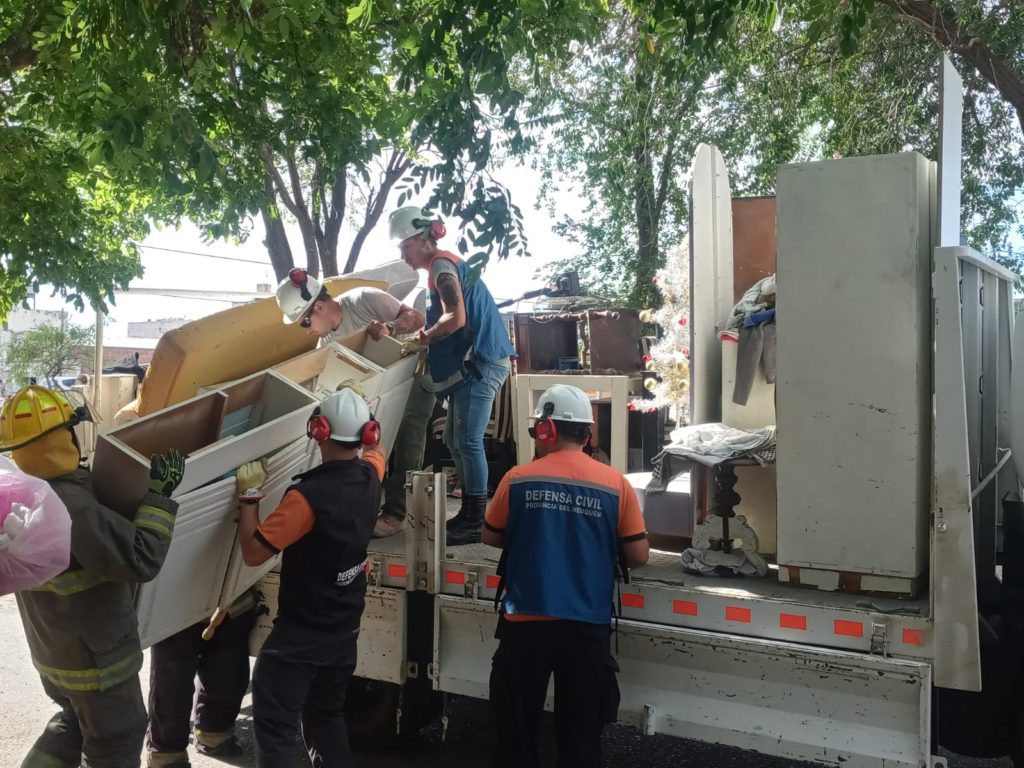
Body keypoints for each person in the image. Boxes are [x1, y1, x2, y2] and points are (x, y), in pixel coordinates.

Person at [0, 385, 184, 768]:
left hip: (56, 656)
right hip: (98, 664)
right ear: (63, 437)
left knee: (73, 723)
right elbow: (139, 560)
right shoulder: (72, 507)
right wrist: (160, 497)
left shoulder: (22, 496)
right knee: (117, 738)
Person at [481, 384, 650, 768]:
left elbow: (490, 536)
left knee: (516, 738)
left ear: (545, 431)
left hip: (524, 624)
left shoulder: (517, 479)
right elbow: (637, 555)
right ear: (587, 435)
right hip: (586, 628)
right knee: (581, 741)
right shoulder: (615, 483)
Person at [235, 387, 386, 768]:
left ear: (317, 430)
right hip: (343, 632)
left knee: (275, 728)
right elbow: (376, 453)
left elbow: (254, 553)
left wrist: (250, 496)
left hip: (300, 639)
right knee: (325, 718)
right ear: (368, 433)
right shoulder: (372, 474)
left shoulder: (306, 498)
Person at [388, 206, 516, 545]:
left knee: (469, 440)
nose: (403, 256)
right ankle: (469, 514)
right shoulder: (443, 267)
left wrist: (423, 338)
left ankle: (477, 519)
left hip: (483, 363)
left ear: (420, 239)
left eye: (404, 247)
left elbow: (456, 319)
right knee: (453, 440)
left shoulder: (442, 267)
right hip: (474, 365)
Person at [277, 267, 434, 538]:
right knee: (373, 439)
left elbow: (417, 318)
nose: (306, 331)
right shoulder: (326, 343)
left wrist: (390, 328)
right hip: (382, 383)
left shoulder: (364, 300)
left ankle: (396, 514)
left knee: (408, 440)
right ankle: (372, 504)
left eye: (305, 322)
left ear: (321, 307)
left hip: (416, 371)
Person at [143, 590, 257, 767]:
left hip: (233, 598)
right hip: (179, 602)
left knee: (227, 670)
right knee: (172, 685)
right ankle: (167, 755)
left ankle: (213, 733)